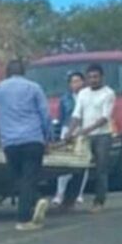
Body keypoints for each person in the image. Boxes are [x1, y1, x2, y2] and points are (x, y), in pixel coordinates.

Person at [0, 60, 51, 231]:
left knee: (19, 179)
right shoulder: (34, 87)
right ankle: (30, 210)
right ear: (23, 72)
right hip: (33, 139)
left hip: (10, 143)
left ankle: (31, 209)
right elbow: (45, 115)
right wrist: (48, 138)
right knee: (29, 178)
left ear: (7, 73)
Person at [64, 64, 115, 214]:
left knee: (100, 169)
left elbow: (105, 118)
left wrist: (86, 130)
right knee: (78, 168)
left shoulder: (108, 93)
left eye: (96, 77)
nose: (93, 80)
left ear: (101, 77)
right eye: (90, 77)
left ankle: (99, 201)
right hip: (85, 137)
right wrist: (70, 131)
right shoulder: (83, 93)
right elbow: (77, 114)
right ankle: (68, 201)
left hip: (102, 136)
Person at [52, 71, 88, 207]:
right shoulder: (64, 99)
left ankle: (78, 193)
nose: (76, 84)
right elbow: (61, 118)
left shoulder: (87, 97)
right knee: (64, 163)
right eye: (73, 81)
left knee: (82, 163)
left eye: (78, 81)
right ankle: (60, 193)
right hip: (67, 130)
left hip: (83, 129)